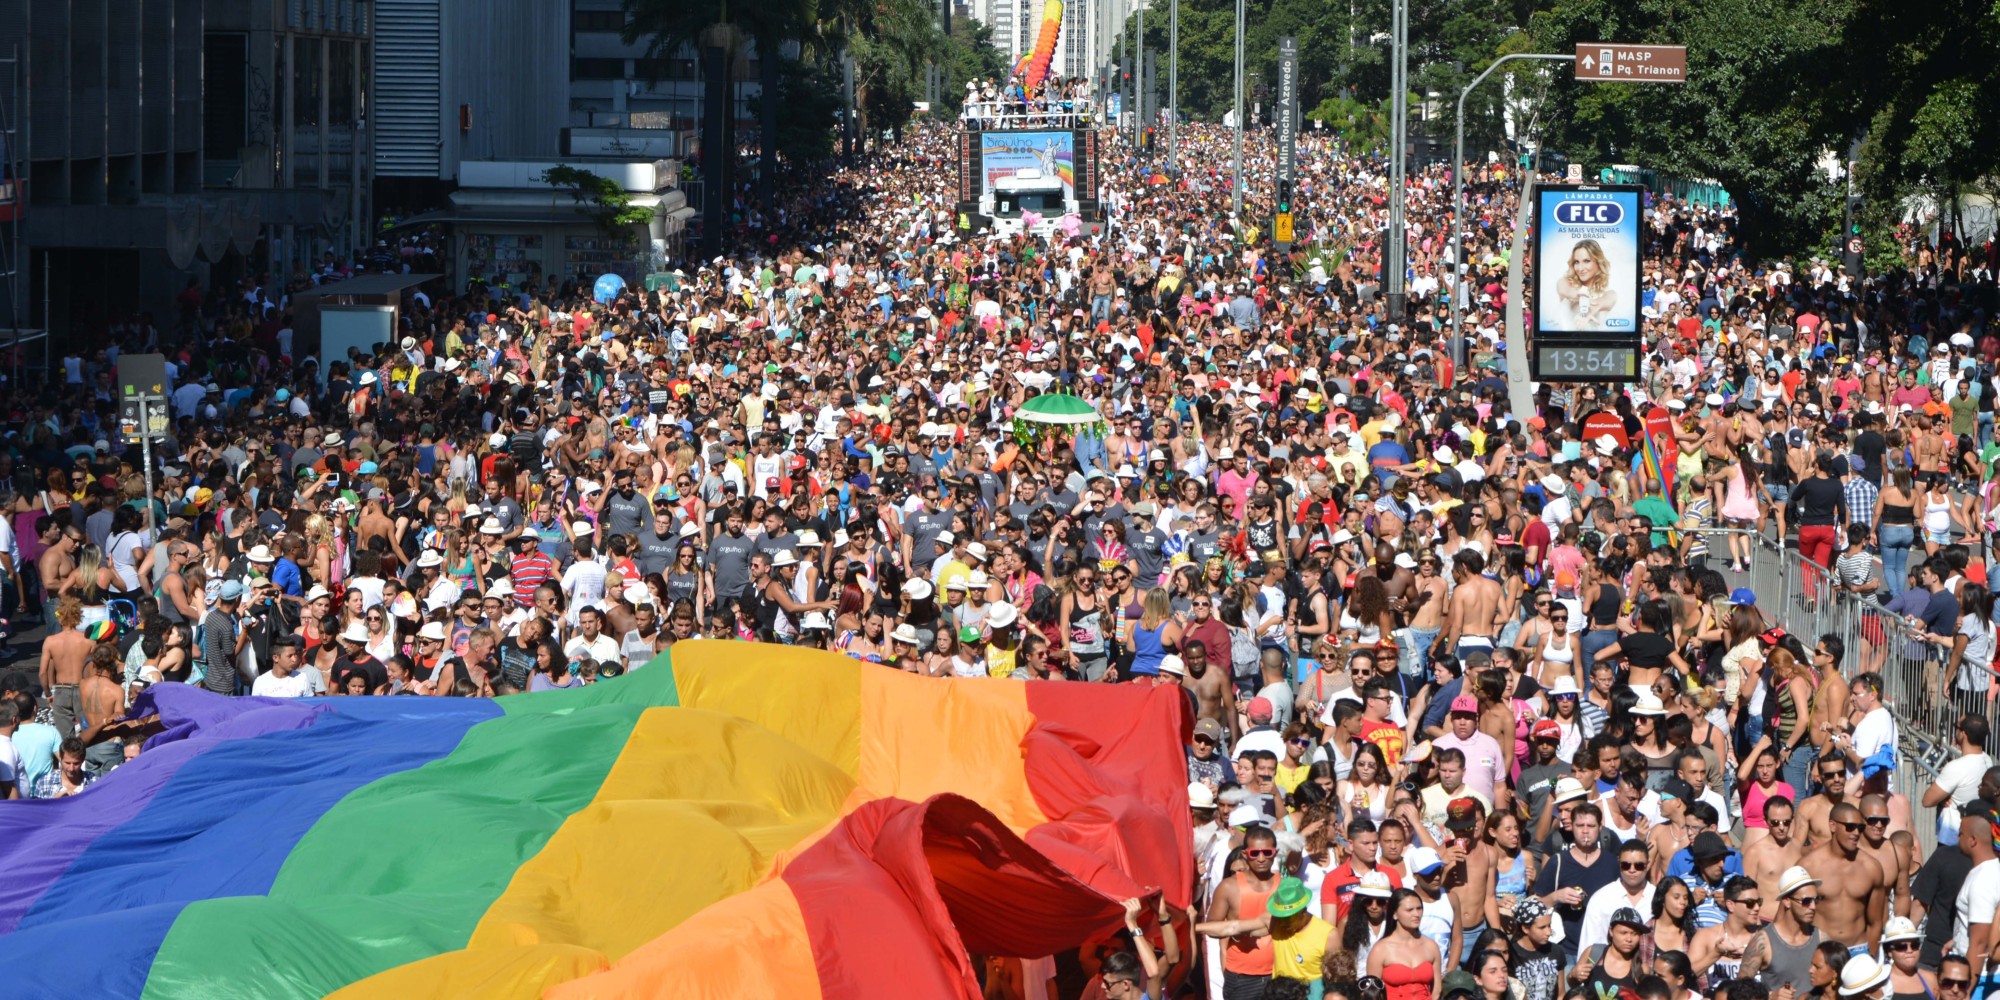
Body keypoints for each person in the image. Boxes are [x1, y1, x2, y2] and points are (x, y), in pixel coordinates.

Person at [1796, 802, 1891, 951]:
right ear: (1833, 826)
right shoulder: (1809, 866)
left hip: (1858, 950)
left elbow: (1875, 922)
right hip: (1821, 951)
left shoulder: (1871, 867)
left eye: (1860, 828)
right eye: (1850, 827)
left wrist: (1870, 957)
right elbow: (1795, 915)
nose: (1856, 833)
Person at [1208, 824, 1283, 998]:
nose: (1261, 858)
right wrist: (1236, 931)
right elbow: (1212, 926)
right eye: (1255, 853)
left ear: (1275, 853)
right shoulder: (1228, 887)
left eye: (1267, 852)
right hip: (1242, 978)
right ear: (1245, 854)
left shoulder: (1285, 886)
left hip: (1279, 973)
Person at [1742, 866, 1828, 995]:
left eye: (1816, 900)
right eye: (1806, 901)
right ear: (1787, 901)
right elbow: (1740, 992)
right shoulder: (1763, 942)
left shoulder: (1821, 937)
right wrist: (1770, 997)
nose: (1813, 907)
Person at [1368, 888, 1444, 1000]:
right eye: (1409, 910)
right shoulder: (1380, 949)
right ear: (1395, 914)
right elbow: (1372, 994)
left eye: (1419, 909)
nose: (1416, 914)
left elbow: (1437, 991)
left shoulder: (1431, 946)